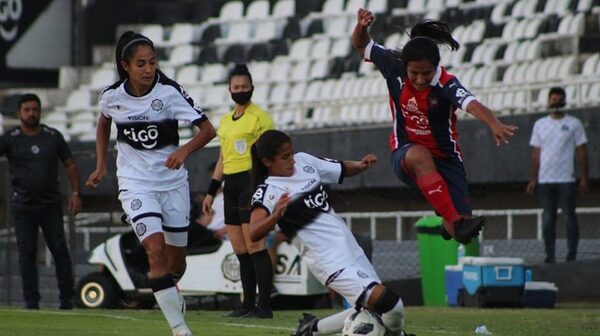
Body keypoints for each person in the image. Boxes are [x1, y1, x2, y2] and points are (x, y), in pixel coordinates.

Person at [85, 31, 216, 336]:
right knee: (154, 251)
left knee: (175, 266)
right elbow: (104, 121)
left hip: (172, 185)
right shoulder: (112, 96)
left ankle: (171, 294)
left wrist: (183, 151)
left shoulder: (169, 93)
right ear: (126, 66)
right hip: (135, 185)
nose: (148, 69)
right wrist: (102, 164)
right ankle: (180, 329)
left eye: (152, 62)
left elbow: (208, 130)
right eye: (141, 64)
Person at [352, 9, 518, 244]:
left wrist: (493, 123)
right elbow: (361, 45)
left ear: (437, 67)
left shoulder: (446, 84)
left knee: (459, 232)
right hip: (406, 153)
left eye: (426, 74)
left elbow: (471, 104)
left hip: (447, 160)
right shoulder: (393, 66)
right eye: (414, 74)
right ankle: (450, 215)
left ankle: (449, 220)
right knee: (420, 155)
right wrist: (361, 27)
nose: (420, 80)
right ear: (404, 66)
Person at [248, 130, 409, 336]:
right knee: (391, 304)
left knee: (373, 309)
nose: (292, 161)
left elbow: (340, 169)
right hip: (329, 261)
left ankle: (311, 329)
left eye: (292, 153)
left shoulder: (304, 161)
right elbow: (253, 232)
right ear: (267, 161)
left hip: (351, 250)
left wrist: (360, 166)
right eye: (285, 157)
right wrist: (275, 216)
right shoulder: (269, 191)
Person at [202, 64, 275, 318]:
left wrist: (265, 185)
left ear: (252, 88)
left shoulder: (260, 117)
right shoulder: (224, 121)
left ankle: (264, 306)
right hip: (230, 185)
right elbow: (223, 158)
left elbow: (271, 152)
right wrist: (211, 191)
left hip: (252, 182)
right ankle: (247, 305)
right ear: (229, 90)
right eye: (236, 87)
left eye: (245, 87)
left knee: (255, 245)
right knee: (240, 248)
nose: (240, 90)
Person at [0, 93, 82, 310]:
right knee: (26, 255)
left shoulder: (52, 136)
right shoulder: (11, 138)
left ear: (40, 111)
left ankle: (67, 300)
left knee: (59, 250)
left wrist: (75, 193)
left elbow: (70, 164)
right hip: (23, 206)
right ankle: (31, 302)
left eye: (35, 109)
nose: (31, 113)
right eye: (27, 110)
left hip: (50, 205)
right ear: (19, 113)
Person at [526, 87, 589, 263]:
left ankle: (572, 255)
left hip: (566, 179)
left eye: (559, 100)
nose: (556, 103)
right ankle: (550, 255)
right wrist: (533, 178)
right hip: (546, 180)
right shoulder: (540, 124)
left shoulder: (574, 123)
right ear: (548, 101)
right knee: (548, 218)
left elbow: (582, 151)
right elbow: (535, 153)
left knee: (569, 217)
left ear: (564, 101)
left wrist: (584, 177)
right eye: (553, 99)